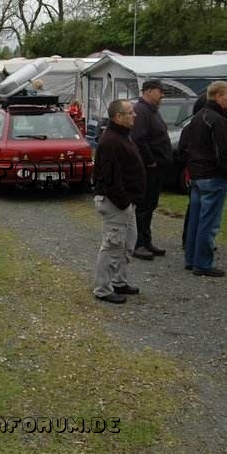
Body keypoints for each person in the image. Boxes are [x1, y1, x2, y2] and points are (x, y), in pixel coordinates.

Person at [92, 99, 147, 304]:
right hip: (115, 203)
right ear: (118, 117)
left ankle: (118, 281)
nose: (135, 115)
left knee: (128, 243)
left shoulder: (123, 136)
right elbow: (110, 178)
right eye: (130, 113)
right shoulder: (110, 141)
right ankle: (103, 289)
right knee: (112, 245)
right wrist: (123, 202)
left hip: (126, 202)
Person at [179, 81, 227, 277]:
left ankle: (191, 259)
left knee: (195, 219)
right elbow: (222, 151)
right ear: (218, 96)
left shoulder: (197, 118)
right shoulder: (218, 120)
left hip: (196, 175)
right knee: (209, 222)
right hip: (212, 176)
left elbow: (185, 147)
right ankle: (202, 262)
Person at [131, 79, 173, 260]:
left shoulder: (152, 111)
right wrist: (150, 162)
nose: (162, 95)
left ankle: (146, 241)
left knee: (150, 206)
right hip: (148, 169)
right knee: (142, 206)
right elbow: (139, 139)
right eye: (159, 91)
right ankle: (138, 243)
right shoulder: (141, 111)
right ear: (148, 91)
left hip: (157, 168)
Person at [180, 92, 208, 250]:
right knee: (195, 209)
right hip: (196, 173)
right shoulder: (192, 127)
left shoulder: (193, 126)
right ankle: (189, 239)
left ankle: (195, 239)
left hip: (195, 172)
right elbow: (183, 150)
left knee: (198, 208)